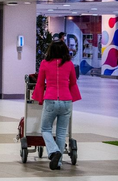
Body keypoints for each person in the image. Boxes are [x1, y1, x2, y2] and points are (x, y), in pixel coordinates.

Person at [32, 40, 81, 170]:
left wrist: (38, 98)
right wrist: (74, 97)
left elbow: (40, 83)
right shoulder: (69, 64)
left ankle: (54, 151)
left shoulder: (44, 63)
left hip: (51, 99)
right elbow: (73, 83)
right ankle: (58, 163)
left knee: (45, 129)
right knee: (61, 133)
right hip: (66, 100)